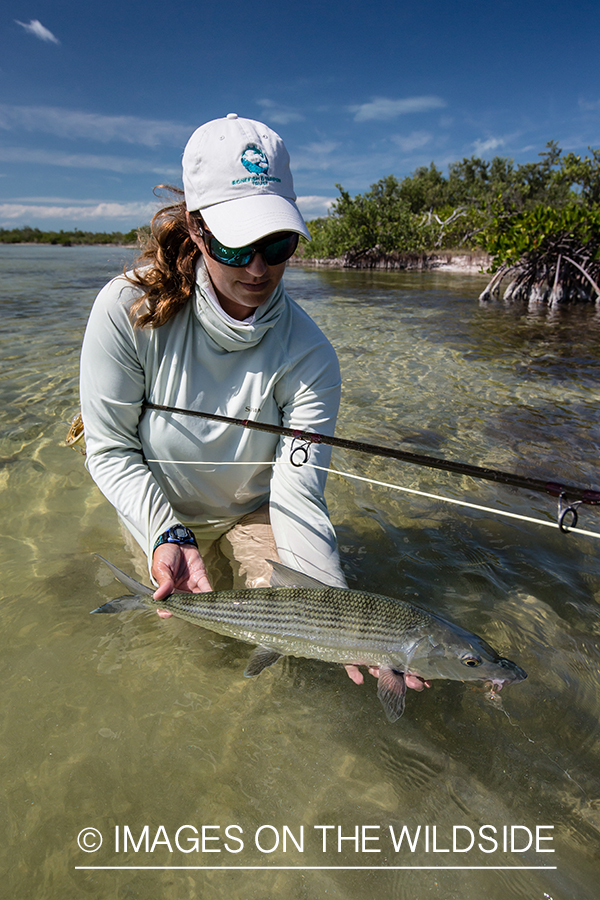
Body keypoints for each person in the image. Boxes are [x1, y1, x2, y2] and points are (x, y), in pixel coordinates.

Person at [80, 112, 428, 692]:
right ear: (195, 230)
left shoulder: (312, 356)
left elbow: (297, 493)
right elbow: (110, 448)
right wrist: (166, 532)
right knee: (179, 654)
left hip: (253, 511)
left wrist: (343, 620)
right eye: (236, 245)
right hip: (159, 507)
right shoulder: (126, 310)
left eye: (276, 242)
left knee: (287, 664)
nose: (260, 268)